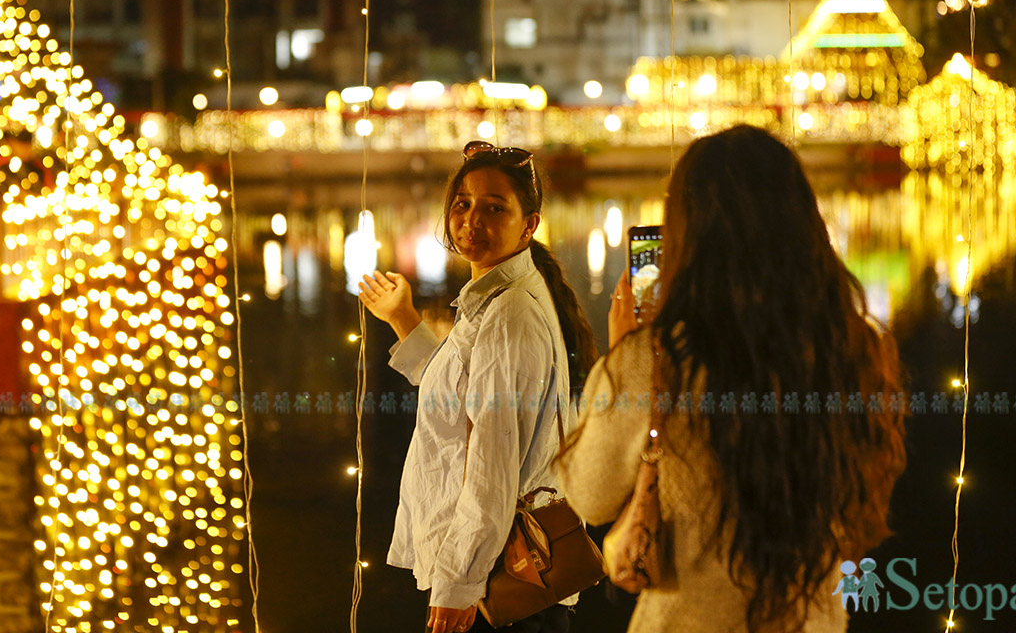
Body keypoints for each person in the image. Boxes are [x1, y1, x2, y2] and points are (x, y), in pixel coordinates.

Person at [558, 125, 906, 633]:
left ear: (684, 231)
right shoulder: (851, 346)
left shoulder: (656, 357)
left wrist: (619, 359)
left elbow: (589, 495)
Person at [359, 141, 598, 633]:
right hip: (503, 574)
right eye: (463, 204)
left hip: (501, 580)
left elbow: (492, 454)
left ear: (528, 224)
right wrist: (403, 319)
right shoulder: (500, 298)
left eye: (494, 208)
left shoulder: (509, 311)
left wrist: (458, 584)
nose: (471, 221)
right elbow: (463, 393)